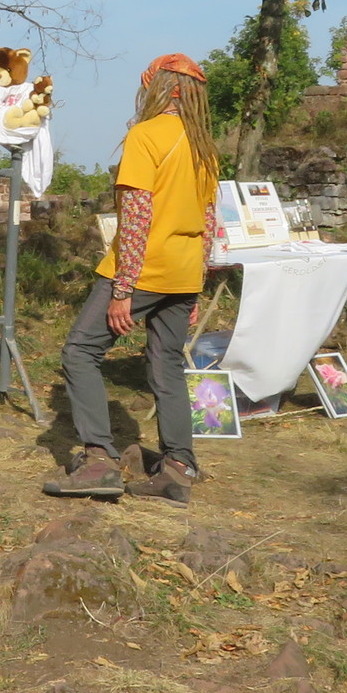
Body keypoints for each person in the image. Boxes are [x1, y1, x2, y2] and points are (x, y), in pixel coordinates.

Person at [44, 54, 219, 505]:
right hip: (183, 271)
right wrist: (195, 285)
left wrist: (123, 289)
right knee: (167, 364)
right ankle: (179, 467)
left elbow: (138, 216)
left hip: (145, 268)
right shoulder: (203, 145)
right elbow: (209, 221)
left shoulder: (145, 135)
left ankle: (99, 461)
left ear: (155, 87)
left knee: (80, 351)